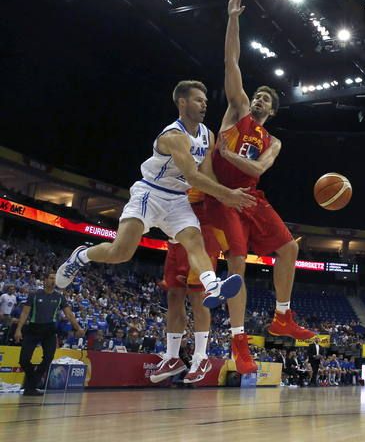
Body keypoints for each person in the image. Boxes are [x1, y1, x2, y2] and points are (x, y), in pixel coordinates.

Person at [55, 80, 256, 310]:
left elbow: (207, 175)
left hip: (178, 198)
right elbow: (192, 176)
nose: (204, 105)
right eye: (198, 100)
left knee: (194, 241)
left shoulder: (207, 135)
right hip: (150, 194)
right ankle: (81, 256)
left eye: (206, 101)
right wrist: (228, 194)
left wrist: (225, 198)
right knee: (120, 253)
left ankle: (212, 285)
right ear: (182, 102)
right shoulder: (173, 136)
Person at [205, 0, 315, 372]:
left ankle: (282, 316)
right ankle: (238, 342)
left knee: (289, 249)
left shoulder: (273, 140)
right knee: (237, 266)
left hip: (252, 194)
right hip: (224, 197)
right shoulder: (237, 112)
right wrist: (233, 20)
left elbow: (258, 168)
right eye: (258, 95)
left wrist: (229, 153)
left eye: (267, 99)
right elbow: (231, 63)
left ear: (274, 110)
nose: (259, 99)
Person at [150, 188, 228, 384]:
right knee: (174, 296)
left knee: (197, 296)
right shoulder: (172, 164)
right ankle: (172, 357)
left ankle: (201, 357)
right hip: (176, 236)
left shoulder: (205, 161)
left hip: (203, 233)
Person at [14, 274, 84, 396]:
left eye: (54, 279)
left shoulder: (59, 297)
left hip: (49, 331)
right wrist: (18, 329)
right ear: (45, 280)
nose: (53, 280)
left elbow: (69, 314)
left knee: (48, 359)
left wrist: (78, 328)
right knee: (23, 360)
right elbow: (25, 313)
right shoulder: (34, 294)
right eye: (51, 278)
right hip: (33, 328)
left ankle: (31, 386)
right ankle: (32, 382)